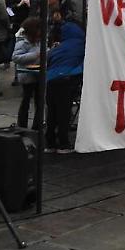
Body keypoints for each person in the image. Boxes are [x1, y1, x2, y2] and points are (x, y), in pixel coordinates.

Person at [45, 10, 86, 154]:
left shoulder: (59, 46)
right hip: (67, 79)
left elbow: (48, 59)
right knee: (64, 113)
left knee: (52, 112)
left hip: (51, 79)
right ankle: (63, 144)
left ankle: (49, 143)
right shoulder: (82, 45)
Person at [12, 15, 43, 131]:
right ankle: (22, 125)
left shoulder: (40, 41)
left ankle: (37, 125)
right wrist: (35, 55)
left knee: (39, 101)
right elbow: (15, 57)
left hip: (38, 74)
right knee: (26, 99)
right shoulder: (23, 42)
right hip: (27, 75)